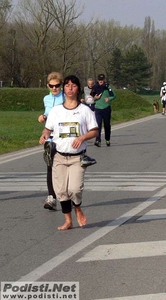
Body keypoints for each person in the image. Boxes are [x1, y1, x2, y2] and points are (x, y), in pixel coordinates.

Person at [39, 75, 98, 230]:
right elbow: (48, 128)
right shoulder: (56, 111)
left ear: (78, 88)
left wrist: (83, 137)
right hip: (59, 156)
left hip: (77, 157)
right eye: (67, 85)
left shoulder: (84, 111)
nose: (70, 88)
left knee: (75, 189)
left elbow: (95, 131)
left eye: (73, 85)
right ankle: (68, 220)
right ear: (64, 89)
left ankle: (77, 208)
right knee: (60, 191)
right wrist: (44, 134)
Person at [38, 72, 65, 211]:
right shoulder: (46, 99)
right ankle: (51, 197)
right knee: (50, 166)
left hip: (64, 137)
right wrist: (43, 117)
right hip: (50, 137)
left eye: (57, 86)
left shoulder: (66, 98)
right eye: (51, 86)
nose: (54, 88)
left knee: (63, 167)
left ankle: (67, 195)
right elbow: (48, 113)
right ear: (48, 86)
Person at [92, 74, 116, 147]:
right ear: (97, 80)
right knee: (98, 125)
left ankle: (107, 139)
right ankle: (98, 140)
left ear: (104, 80)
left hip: (106, 108)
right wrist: (96, 97)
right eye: (99, 80)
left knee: (107, 125)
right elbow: (92, 97)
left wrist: (109, 98)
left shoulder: (108, 87)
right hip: (98, 108)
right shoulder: (95, 87)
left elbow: (114, 95)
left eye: (102, 80)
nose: (101, 81)